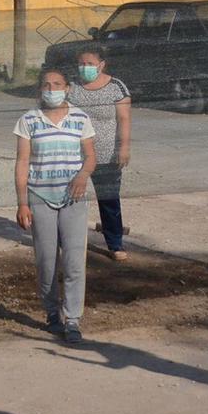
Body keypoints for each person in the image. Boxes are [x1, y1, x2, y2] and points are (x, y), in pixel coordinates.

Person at [14, 68, 97, 344]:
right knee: (46, 260)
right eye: (47, 85)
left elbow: (90, 157)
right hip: (40, 197)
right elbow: (22, 163)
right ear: (40, 89)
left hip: (74, 198)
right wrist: (22, 203)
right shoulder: (28, 120)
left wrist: (83, 176)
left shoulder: (80, 118)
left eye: (57, 84)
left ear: (68, 88)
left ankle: (72, 319)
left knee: (74, 261)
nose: (52, 89)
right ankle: (52, 313)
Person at [68, 46, 133, 260]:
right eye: (82, 64)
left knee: (109, 200)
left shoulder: (116, 87)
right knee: (72, 198)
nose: (84, 68)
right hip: (75, 155)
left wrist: (123, 147)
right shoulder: (72, 87)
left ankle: (115, 244)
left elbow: (124, 119)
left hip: (106, 155)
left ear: (102, 64)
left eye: (90, 64)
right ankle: (69, 240)